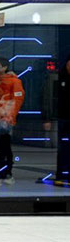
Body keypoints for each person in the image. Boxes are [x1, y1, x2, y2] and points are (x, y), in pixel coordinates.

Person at [43, 55, 70, 183]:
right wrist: (47, 118)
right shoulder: (57, 78)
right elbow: (47, 98)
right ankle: (63, 174)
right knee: (63, 148)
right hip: (62, 119)